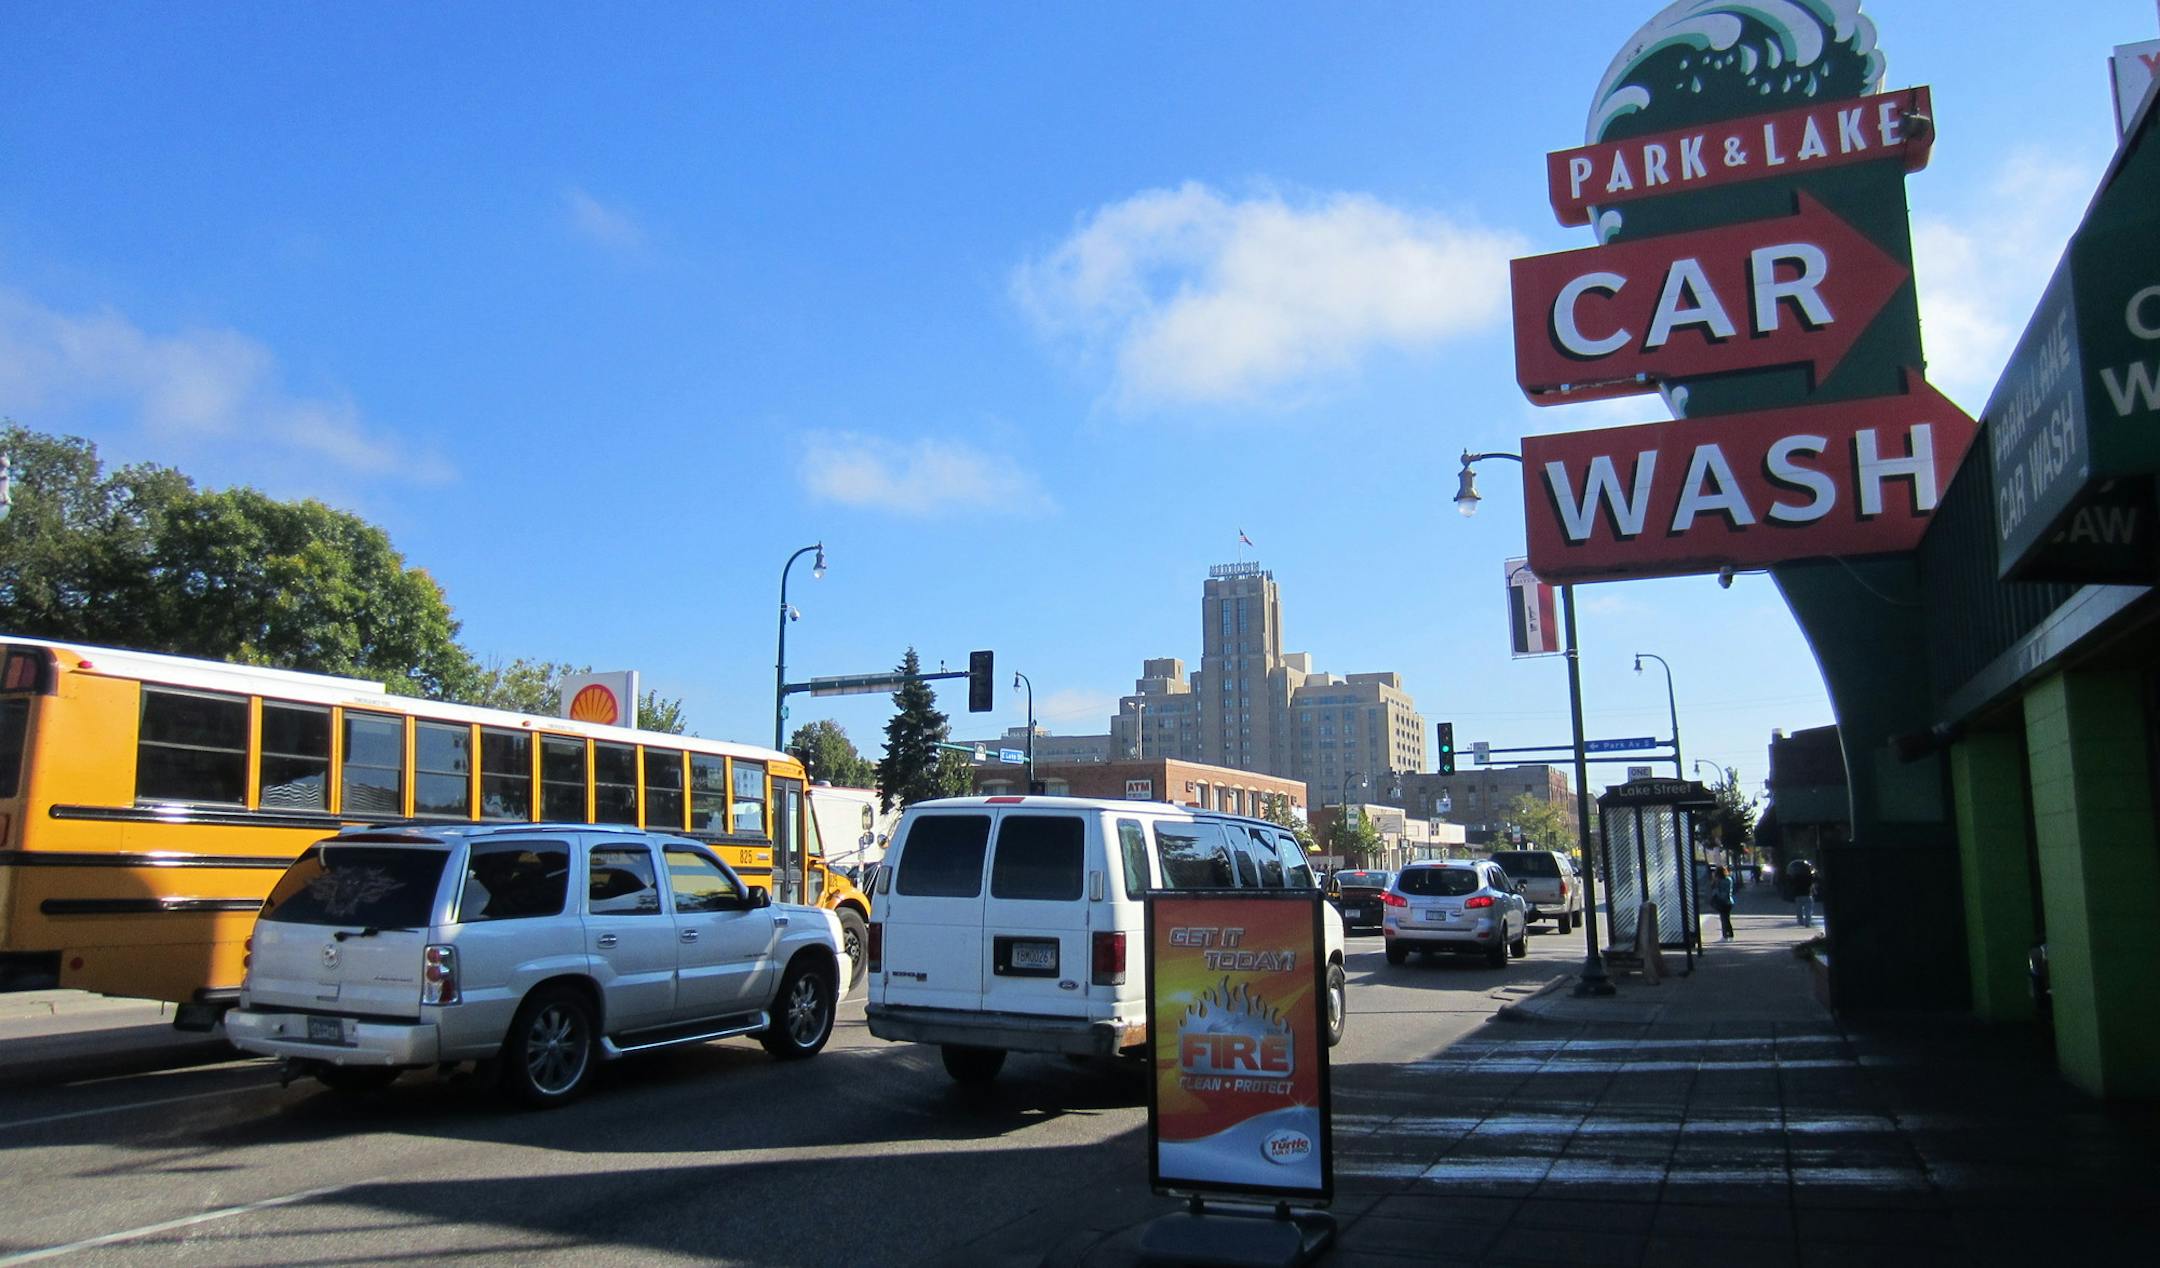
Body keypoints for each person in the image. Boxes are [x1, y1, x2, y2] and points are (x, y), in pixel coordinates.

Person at [1709, 864, 1736, 941]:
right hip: (1729, 901)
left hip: (1721, 901)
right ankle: (1730, 935)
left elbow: (1715, 891)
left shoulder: (1718, 881)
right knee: (1727, 919)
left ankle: (1725, 936)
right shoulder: (1729, 879)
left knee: (1724, 919)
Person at [1789, 858, 1817, 927]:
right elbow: (1816, 880)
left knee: (1799, 910)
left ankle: (1800, 921)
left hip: (1798, 895)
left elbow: (1791, 883)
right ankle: (1807, 922)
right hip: (1808, 894)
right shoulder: (1810, 876)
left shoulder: (1796, 876)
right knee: (1808, 910)